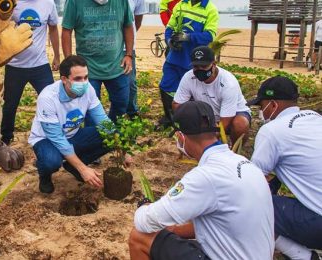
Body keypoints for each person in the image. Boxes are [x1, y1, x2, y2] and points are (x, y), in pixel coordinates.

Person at [128, 101, 274, 260]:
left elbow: (145, 222)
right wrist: (174, 230)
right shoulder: (245, 164)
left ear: (180, 137)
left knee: (139, 237)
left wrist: (145, 207)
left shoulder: (205, 176)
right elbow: (223, 223)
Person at [247, 76, 322, 260]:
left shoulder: (272, 130)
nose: (260, 112)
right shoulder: (316, 119)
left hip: (319, 225)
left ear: (272, 105)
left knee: (250, 205)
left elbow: (251, 182)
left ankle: (303, 256)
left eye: (261, 106)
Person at [28, 55, 112, 194]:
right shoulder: (48, 97)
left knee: (111, 136)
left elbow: (102, 120)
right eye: (78, 79)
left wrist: (122, 147)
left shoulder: (88, 89)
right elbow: (57, 138)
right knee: (51, 162)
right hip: (47, 139)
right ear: (64, 79)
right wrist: (83, 169)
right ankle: (45, 177)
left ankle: (73, 166)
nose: (84, 82)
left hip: (73, 134)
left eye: (86, 77)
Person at [61, 0, 134, 122]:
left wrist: (129, 55)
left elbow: (128, 26)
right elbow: (66, 31)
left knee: (122, 103)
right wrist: (70, 62)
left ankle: (111, 131)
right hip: (87, 69)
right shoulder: (74, 2)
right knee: (90, 110)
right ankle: (95, 136)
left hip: (117, 65)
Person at [0, 0, 60, 144]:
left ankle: (55, 134)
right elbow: (1, 28)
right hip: (15, 65)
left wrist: (57, 56)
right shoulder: (12, 3)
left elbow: (53, 29)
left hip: (40, 64)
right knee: (9, 105)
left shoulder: (48, 3)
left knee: (52, 101)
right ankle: (6, 138)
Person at [173, 46, 251, 144]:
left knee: (240, 124)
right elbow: (177, 104)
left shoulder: (228, 83)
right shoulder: (188, 77)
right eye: (196, 67)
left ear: (214, 64)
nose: (200, 70)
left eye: (204, 66)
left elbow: (225, 120)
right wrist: (187, 121)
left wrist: (208, 137)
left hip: (232, 114)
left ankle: (234, 151)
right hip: (206, 114)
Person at [159, 0, 218, 127]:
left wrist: (188, 37)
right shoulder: (181, 4)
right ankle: (170, 118)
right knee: (166, 86)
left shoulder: (210, 9)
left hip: (194, 61)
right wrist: (169, 41)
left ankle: (189, 119)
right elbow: (170, 27)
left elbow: (209, 36)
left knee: (193, 91)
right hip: (174, 57)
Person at [126, 0, 147, 118]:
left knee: (130, 82)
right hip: (106, 46)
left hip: (127, 47)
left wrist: (128, 38)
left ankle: (132, 111)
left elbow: (137, 20)